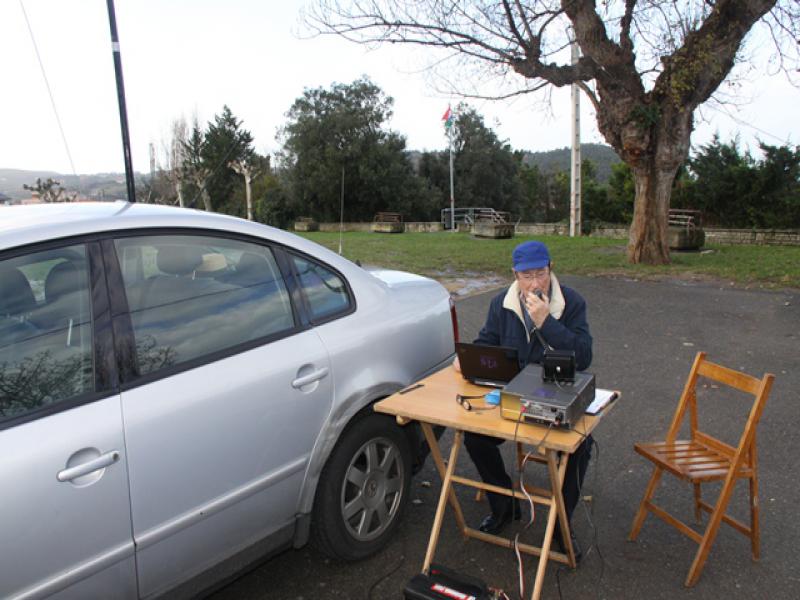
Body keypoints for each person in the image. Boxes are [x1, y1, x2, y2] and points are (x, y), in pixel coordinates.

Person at [453, 240, 593, 559]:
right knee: (473, 436)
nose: (534, 283)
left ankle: (561, 523)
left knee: (581, 445)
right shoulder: (501, 304)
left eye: (540, 273)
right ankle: (504, 504)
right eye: (526, 276)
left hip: (554, 393)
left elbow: (584, 356)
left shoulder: (571, 302)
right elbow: (487, 342)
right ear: (515, 275)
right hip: (511, 395)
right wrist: (469, 359)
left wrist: (547, 323)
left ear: (550, 269)